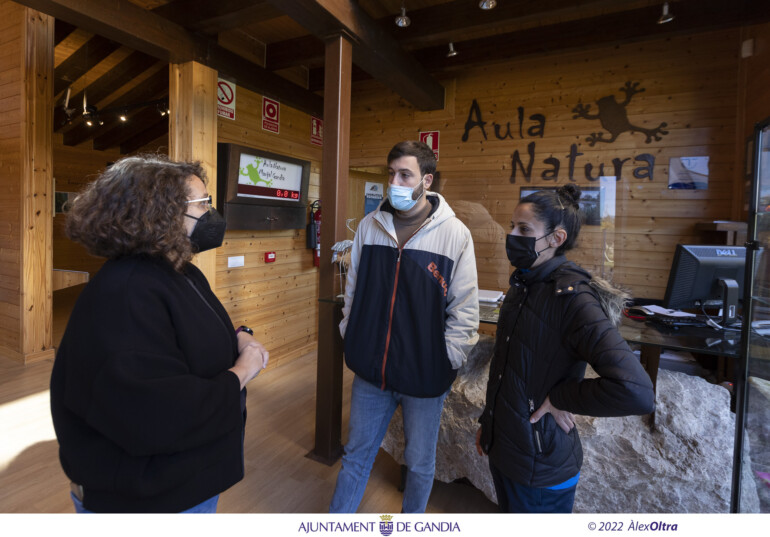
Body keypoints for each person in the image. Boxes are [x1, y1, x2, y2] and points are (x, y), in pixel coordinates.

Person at [50, 155, 268, 513]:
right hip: (148, 500)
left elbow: (190, 334)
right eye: (203, 203)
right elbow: (162, 415)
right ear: (160, 213)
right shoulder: (125, 294)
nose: (211, 214)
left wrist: (239, 336)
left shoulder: (178, 271)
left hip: (186, 480)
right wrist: (243, 371)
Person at [476, 184, 655, 513]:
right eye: (512, 226)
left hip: (541, 469)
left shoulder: (573, 297)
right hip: (507, 453)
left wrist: (562, 397)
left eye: (524, 229)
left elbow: (636, 390)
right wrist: (489, 427)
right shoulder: (523, 284)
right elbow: (509, 371)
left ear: (556, 239)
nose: (511, 235)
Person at [330, 141, 479, 513]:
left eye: (405, 175)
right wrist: (353, 334)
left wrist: (445, 358)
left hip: (424, 376)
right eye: (391, 173)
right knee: (355, 456)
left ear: (426, 180)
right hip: (371, 372)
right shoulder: (370, 226)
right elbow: (353, 290)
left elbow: (464, 310)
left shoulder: (455, 234)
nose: (394, 182)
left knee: (420, 464)